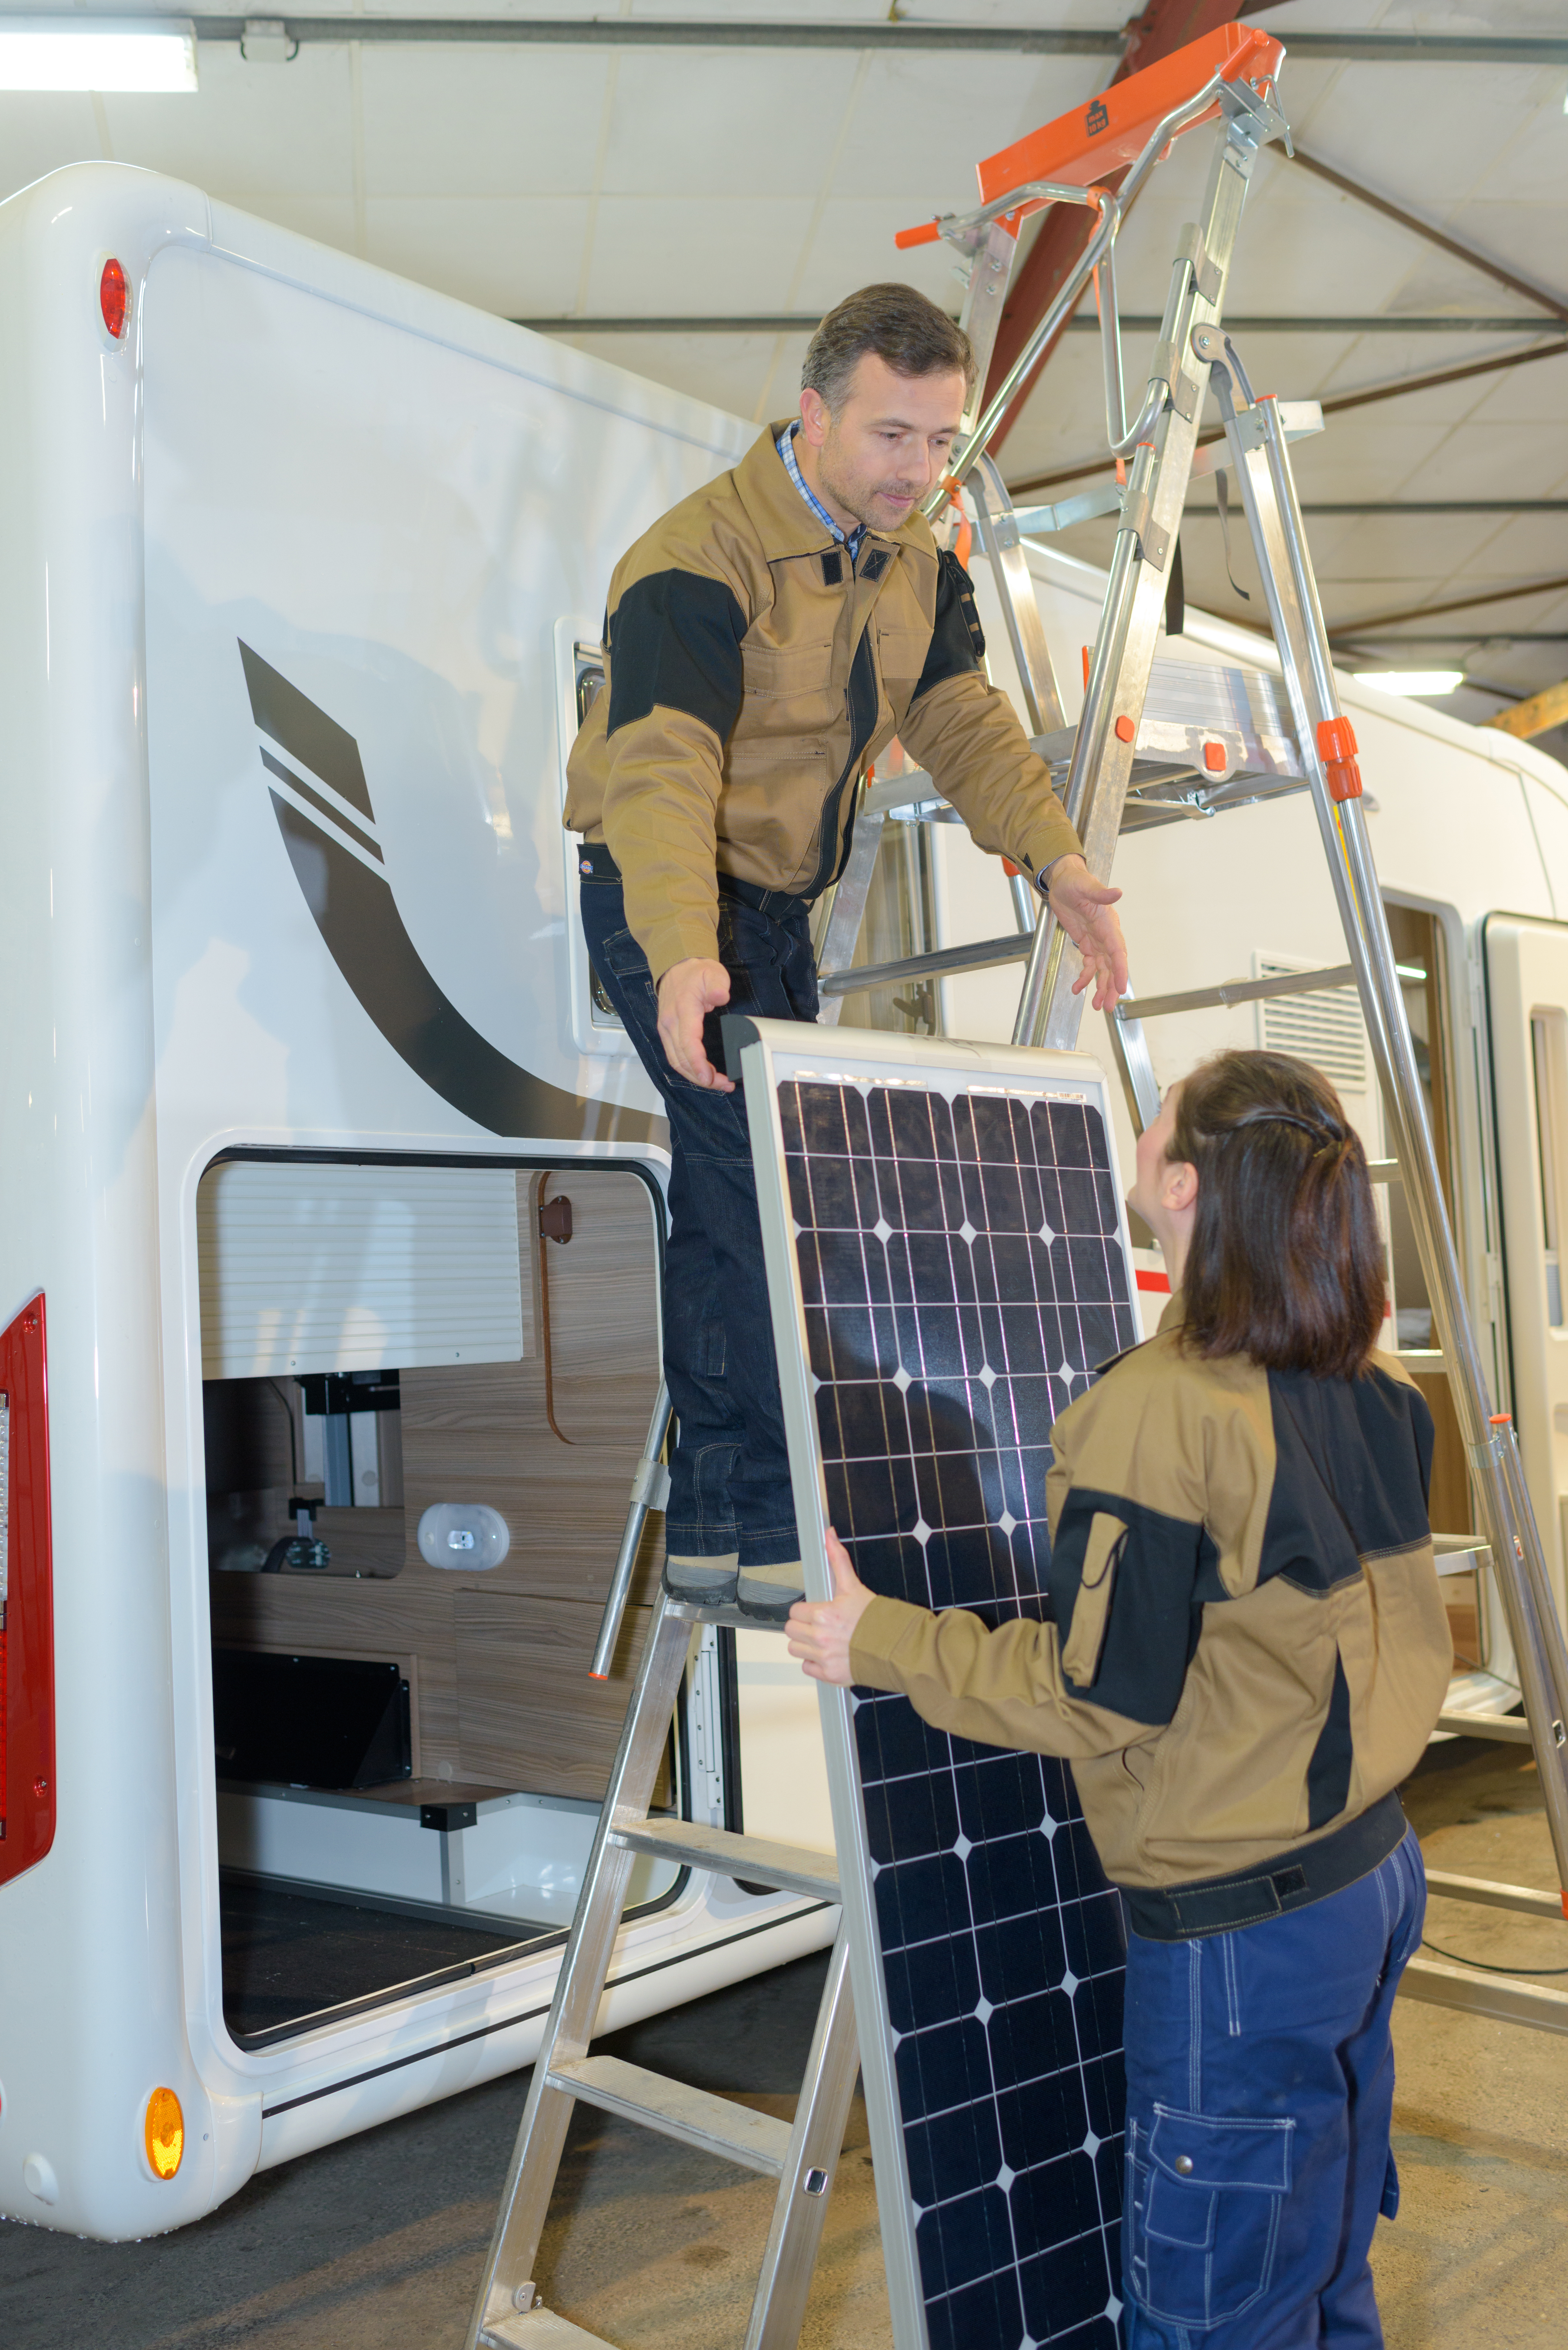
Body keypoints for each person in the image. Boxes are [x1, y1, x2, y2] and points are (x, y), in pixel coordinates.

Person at [788, 1049, 1453, 2349]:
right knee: (1320, 2262)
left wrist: (883, 1640)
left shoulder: (1160, 1411)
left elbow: (1100, 1698)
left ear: (1186, 1183)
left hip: (1246, 1934)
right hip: (1370, 1879)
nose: (1136, 1137)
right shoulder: (1373, 1388)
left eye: (1156, 1122)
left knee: (1215, 2312)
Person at [566, 281, 1128, 1623]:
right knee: (765, 1193)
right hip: (665, 895)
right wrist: (682, 951)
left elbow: (967, 728)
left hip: (773, 915)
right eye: (891, 436)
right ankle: (780, 1523)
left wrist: (1058, 864)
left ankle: (717, 1520)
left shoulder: (916, 565)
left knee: (728, 1194)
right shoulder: (693, 559)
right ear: (813, 414)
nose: (916, 470)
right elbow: (659, 772)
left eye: (939, 441)